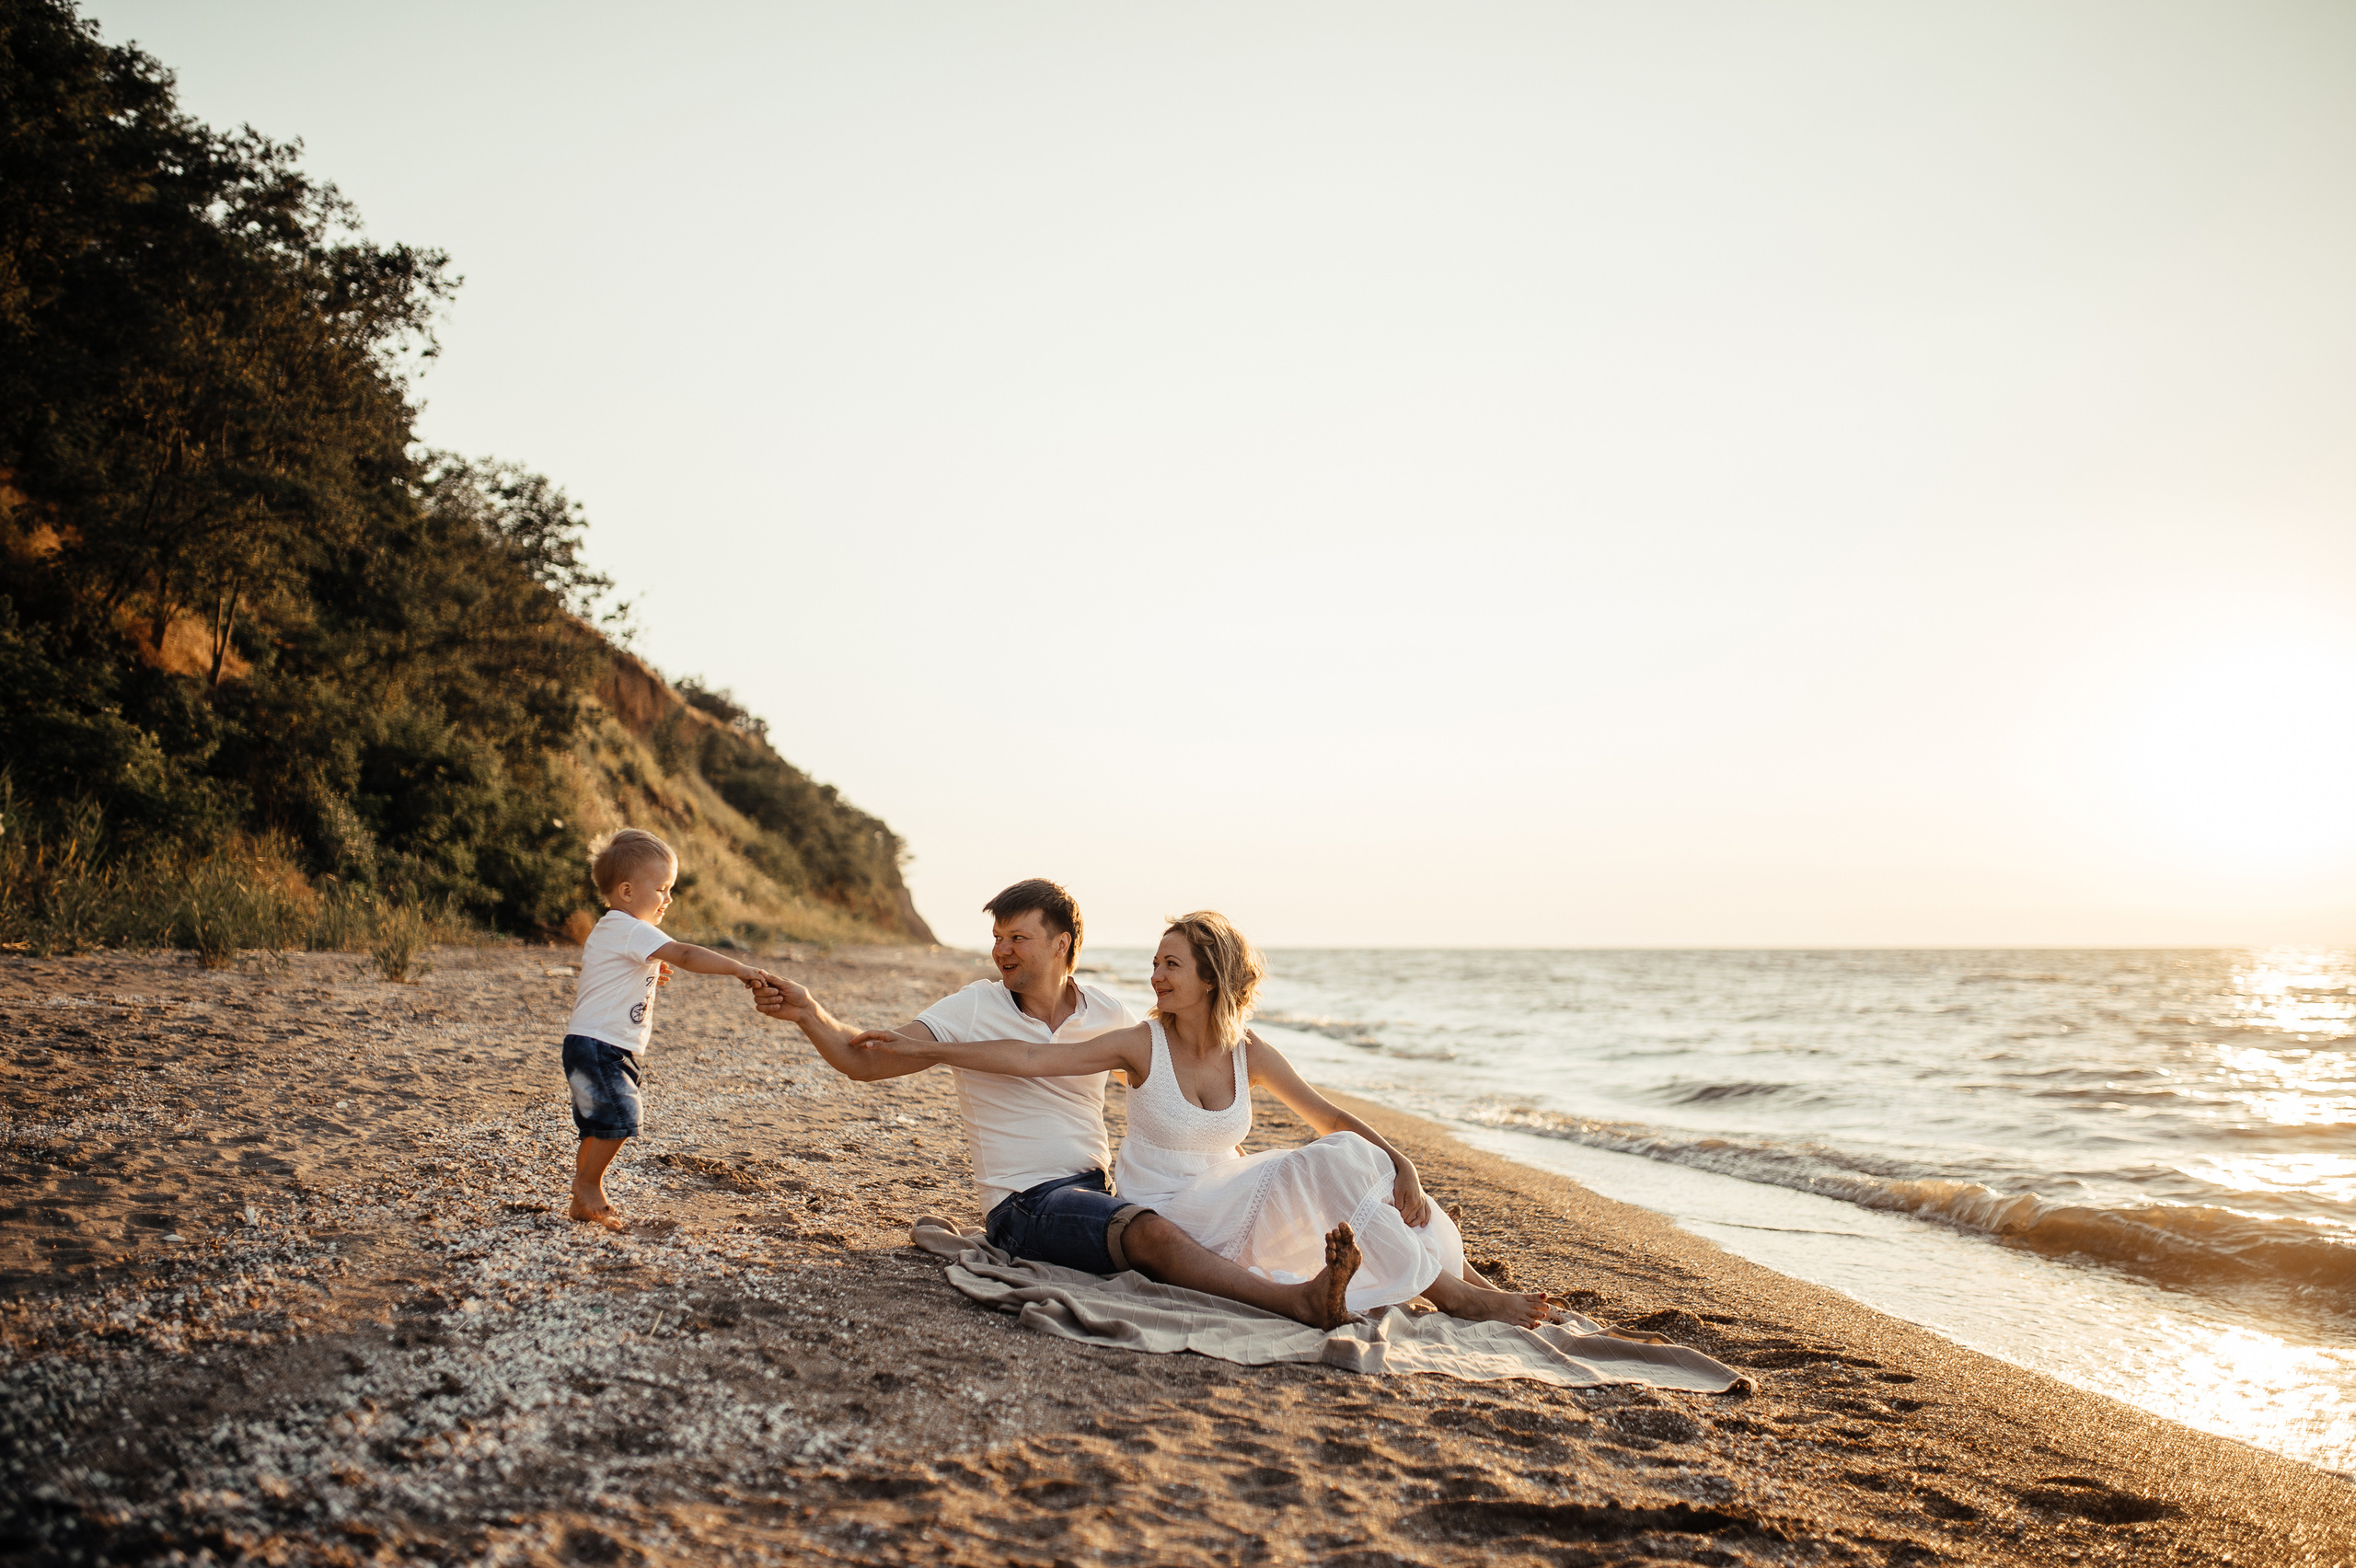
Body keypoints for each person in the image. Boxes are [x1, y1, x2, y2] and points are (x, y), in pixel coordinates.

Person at [844, 911, 1551, 1325]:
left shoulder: (1251, 1051)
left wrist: (1405, 1163)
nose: (1156, 976)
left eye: (1171, 964)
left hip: (1234, 1200)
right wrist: (931, 1050)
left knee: (1355, 1156)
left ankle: (1464, 1289)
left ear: (1211, 976)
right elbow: (1032, 1060)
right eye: (1154, 963)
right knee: (1331, 1160)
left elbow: (1327, 1114)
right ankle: (1453, 1295)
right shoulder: (1138, 1043)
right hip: (1172, 1212)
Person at [751, 879, 1364, 1328]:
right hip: (1024, 1203)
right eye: (997, 938)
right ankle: (1295, 1303)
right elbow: (867, 1061)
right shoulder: (972, 1007)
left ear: (1061, 943)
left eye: (1018, 937)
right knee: (1146, 1231)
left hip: (1098, 1190)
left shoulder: (1110, 1014)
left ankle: (1384, 1279)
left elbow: (1178, 1097)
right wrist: (810, 1013)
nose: (1002, 950)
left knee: (1217, 1212)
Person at [562, 827, 768, 1228]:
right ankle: (589, 1187)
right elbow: (687, 953)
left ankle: (581, 1196)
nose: (668, 899)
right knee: (621, 1115)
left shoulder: (614, 930)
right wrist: (737, 968)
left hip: (595, 1042)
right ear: (626, 891)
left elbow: (611, 976)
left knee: (599, 1123)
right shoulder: (632, 929)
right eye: (662, 889)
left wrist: (649, 975)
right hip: (601, 1044)